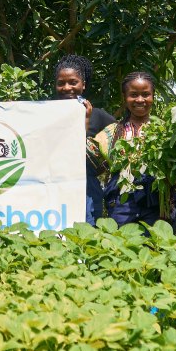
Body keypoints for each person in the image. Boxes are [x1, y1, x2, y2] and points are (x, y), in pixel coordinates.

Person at [91, 71, 176, 231]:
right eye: (133, 95)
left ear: (153, 96)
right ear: (124, 97)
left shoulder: (167, 131)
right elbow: (93, 163)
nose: (140, 100)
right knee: (122, 242)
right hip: (121, 204)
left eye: (146, 94)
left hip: (159, 203)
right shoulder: (110, 133)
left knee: (158, 243)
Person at [52, 54, 115, 225]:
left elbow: (120, 138)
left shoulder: (98, 115)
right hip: (53, 185)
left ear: (83, 84)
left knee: (87, 233)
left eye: (73, 82)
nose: (67, 88)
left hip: (87, 189)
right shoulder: (48, 114)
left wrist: (102, 165)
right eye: (61, 83)